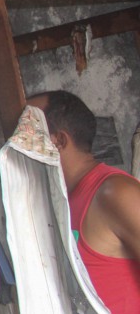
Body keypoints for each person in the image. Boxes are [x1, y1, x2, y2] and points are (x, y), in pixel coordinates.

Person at [27, 90, 140, 312]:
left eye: (27, 132)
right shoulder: (62, 202)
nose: (17, 142)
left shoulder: (114, 193)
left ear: (59, 140)